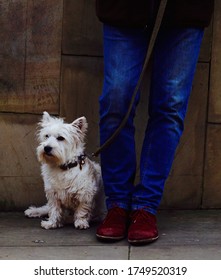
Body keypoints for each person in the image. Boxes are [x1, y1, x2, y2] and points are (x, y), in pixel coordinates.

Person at [95, 0, 214, 245]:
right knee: (116, 100)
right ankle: (117, 204)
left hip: (186, 11)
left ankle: (145, 207)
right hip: (124, 10)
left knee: (170, 105)